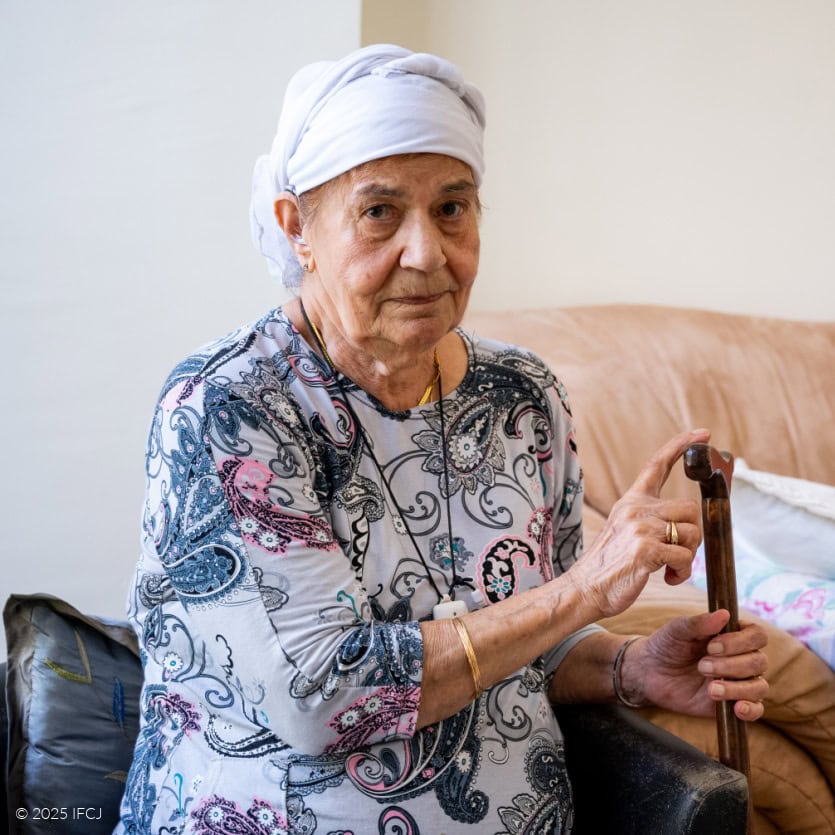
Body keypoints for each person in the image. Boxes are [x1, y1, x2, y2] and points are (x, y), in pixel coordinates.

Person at [115, 44, 768, 835]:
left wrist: (629, 667)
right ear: (297, 228)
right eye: (380, 211)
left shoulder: (521, 396)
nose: (426, 253)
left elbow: (538, 642)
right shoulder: (228, 408)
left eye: (452, 208)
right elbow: (325, 698)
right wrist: (584, 588)